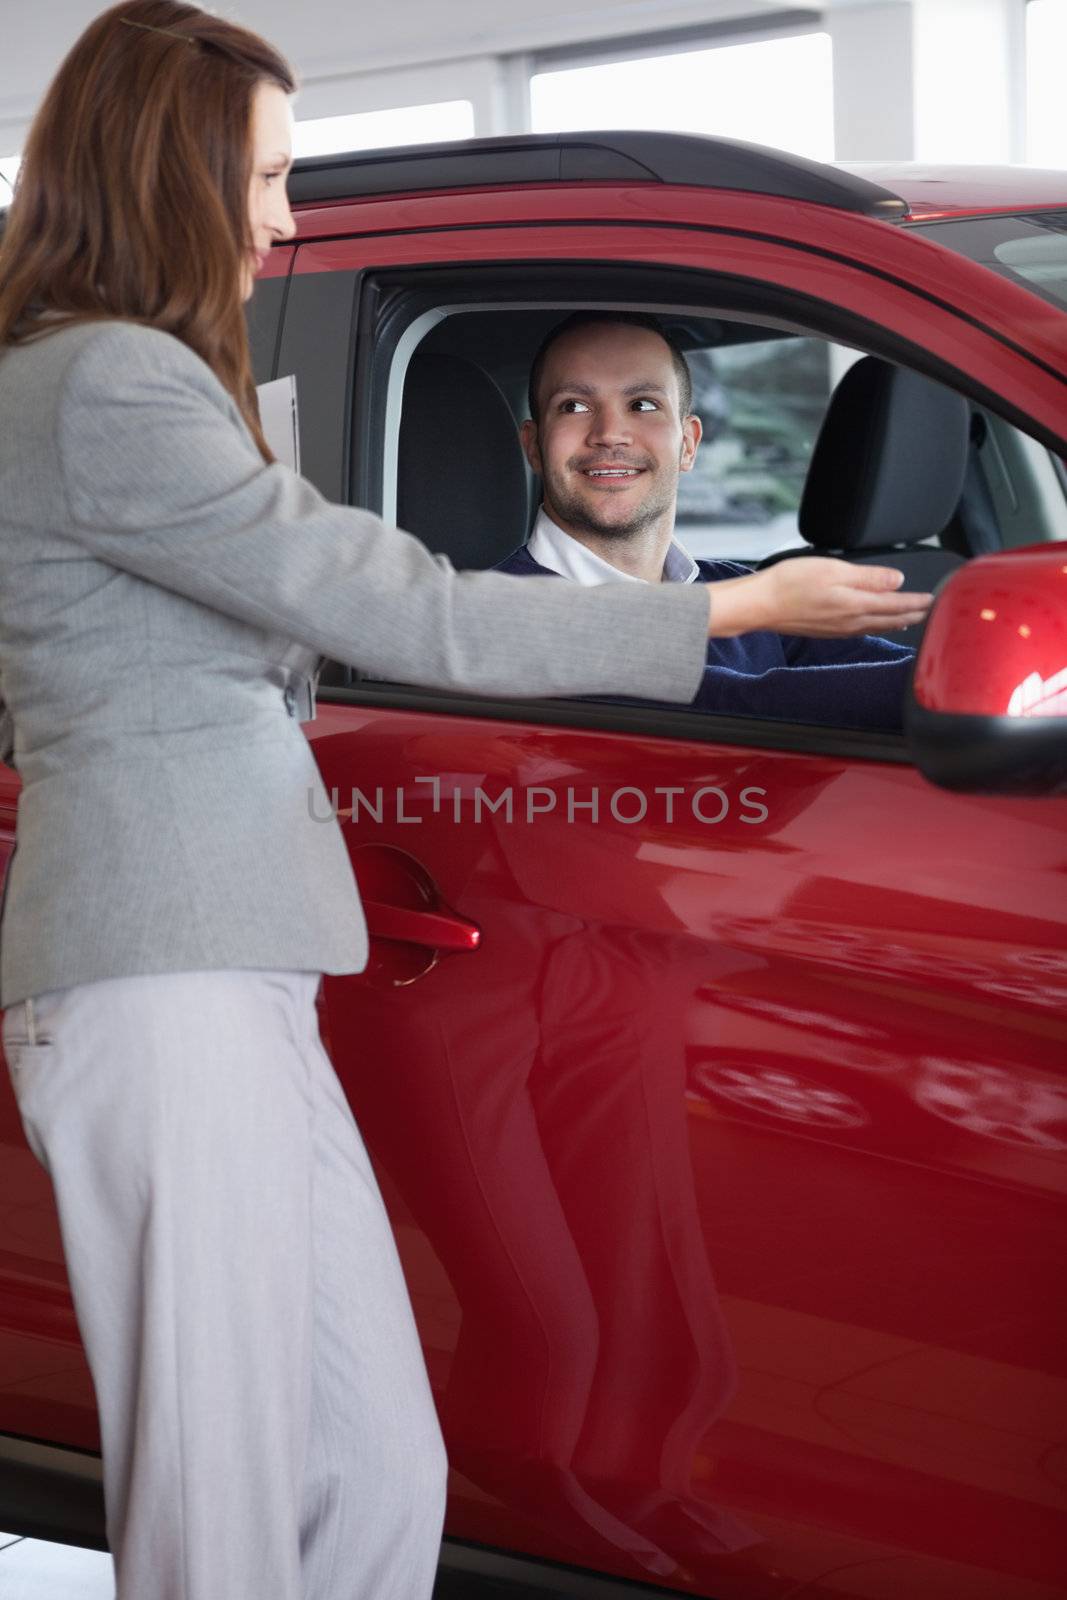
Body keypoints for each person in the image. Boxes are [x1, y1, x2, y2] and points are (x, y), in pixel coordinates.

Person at [0, 7, 932, 1599]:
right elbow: (405, 611)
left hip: (236, 965)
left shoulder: (110, 382)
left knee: (372, 1459)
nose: (282, 219)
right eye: (264, 176)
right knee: (219, 1486)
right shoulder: (105, 383)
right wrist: (730, 609)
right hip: (162, 969)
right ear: (162, 172)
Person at [499, 311, 917, 731]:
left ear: (689, 444)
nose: (610, 432)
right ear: (534, 447)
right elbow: (745, 708)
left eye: (643, 404)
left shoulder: (735, 592)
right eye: (575, 406)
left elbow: (912, 670)